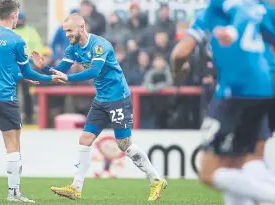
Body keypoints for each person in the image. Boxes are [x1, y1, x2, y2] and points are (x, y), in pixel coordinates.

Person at [31, 13, 167, 201]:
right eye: (65, 31)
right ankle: (76, 188)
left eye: (70, 30)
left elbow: (93, 71)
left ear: (82, 27)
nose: (67, 34)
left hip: (118, 97)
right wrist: (43, 68)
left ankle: (156, 180)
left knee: (124, 145)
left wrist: (68, 79)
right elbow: (61, 71)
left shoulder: (100, 45)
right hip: (101, 99)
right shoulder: (72, 49)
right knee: (85, 139)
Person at [183, 1, 275, 205]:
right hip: (265, 90)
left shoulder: (222, 8)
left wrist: (233, 32)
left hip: (237, 93)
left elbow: (238, 16)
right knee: (244, 161)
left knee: (210, 172)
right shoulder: (262, 10)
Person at [0, 0, 58, 203]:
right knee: (13, 144)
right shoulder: (16, 39)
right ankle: (13, 192)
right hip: (4, 97)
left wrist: (21, 77)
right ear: (14, 14)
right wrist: (49, 78)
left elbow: (0, 71)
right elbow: (27, 70)